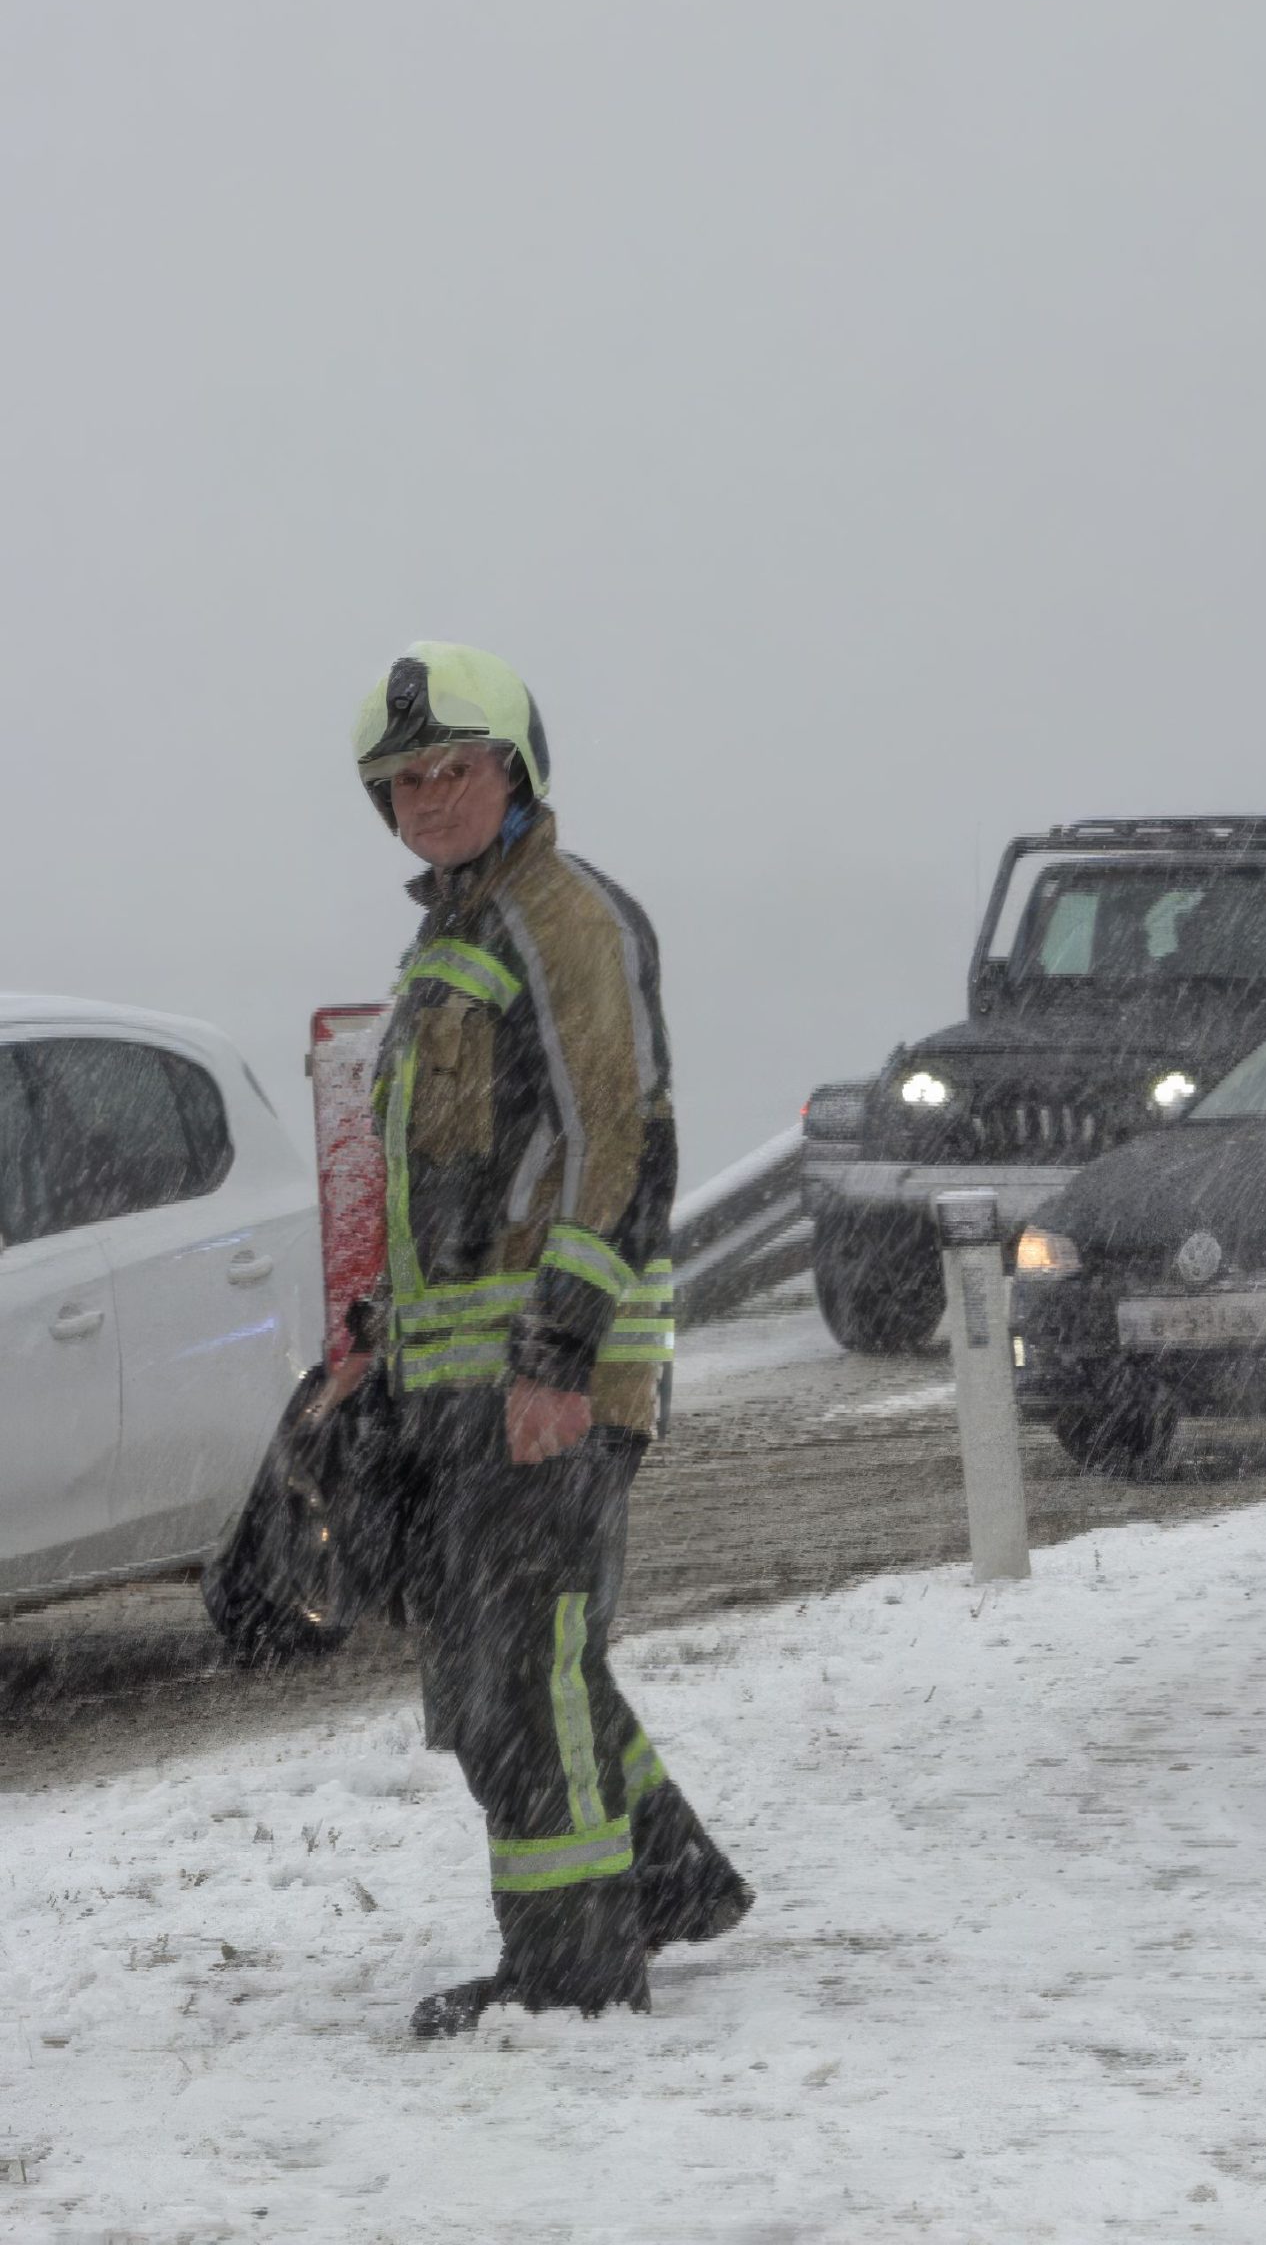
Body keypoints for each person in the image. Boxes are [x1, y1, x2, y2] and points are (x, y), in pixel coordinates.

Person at [316, 642, 752, 2034]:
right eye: (404, 782)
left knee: (524, 1674)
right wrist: (376, 1337)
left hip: (548, 1380)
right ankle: (665, 1882)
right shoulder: (454, 938)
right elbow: (459, 1187)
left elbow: (615, 1145)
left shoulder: (567, 919)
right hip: (456, 1386)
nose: (429, 797)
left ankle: (571, 1977)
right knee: (495, 1669)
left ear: (517, 772)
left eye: (454, 768)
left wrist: (559, 1356)